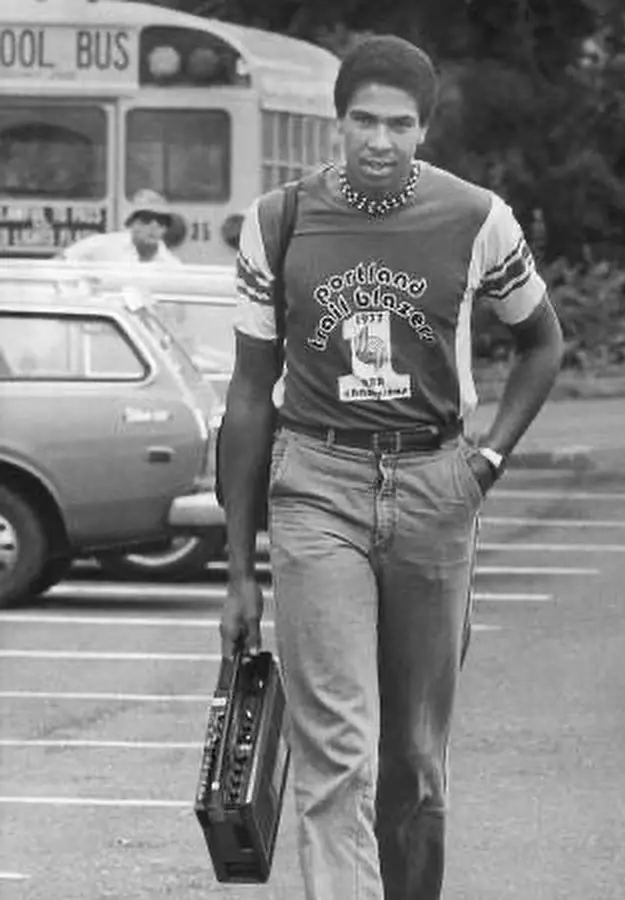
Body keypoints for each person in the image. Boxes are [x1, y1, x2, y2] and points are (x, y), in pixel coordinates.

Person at [218, 34, 564, 900]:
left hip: (434, 486)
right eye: (363, 121)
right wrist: (237, 570)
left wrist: (484, 463)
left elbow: (541, 341)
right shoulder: (278, 222)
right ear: (338, 122)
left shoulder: (475, 217)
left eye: (399, 124)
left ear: (424, 130)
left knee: (413, 761)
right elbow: (250, 395)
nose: (380, 140)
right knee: (337, 752)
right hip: (315, 490)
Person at [61, 189, 182, 266]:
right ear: (131, 223)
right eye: (146, 219)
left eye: (162, 221)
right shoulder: (104, 244)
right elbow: (62, 259)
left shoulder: (171, 267)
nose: (154, 226)